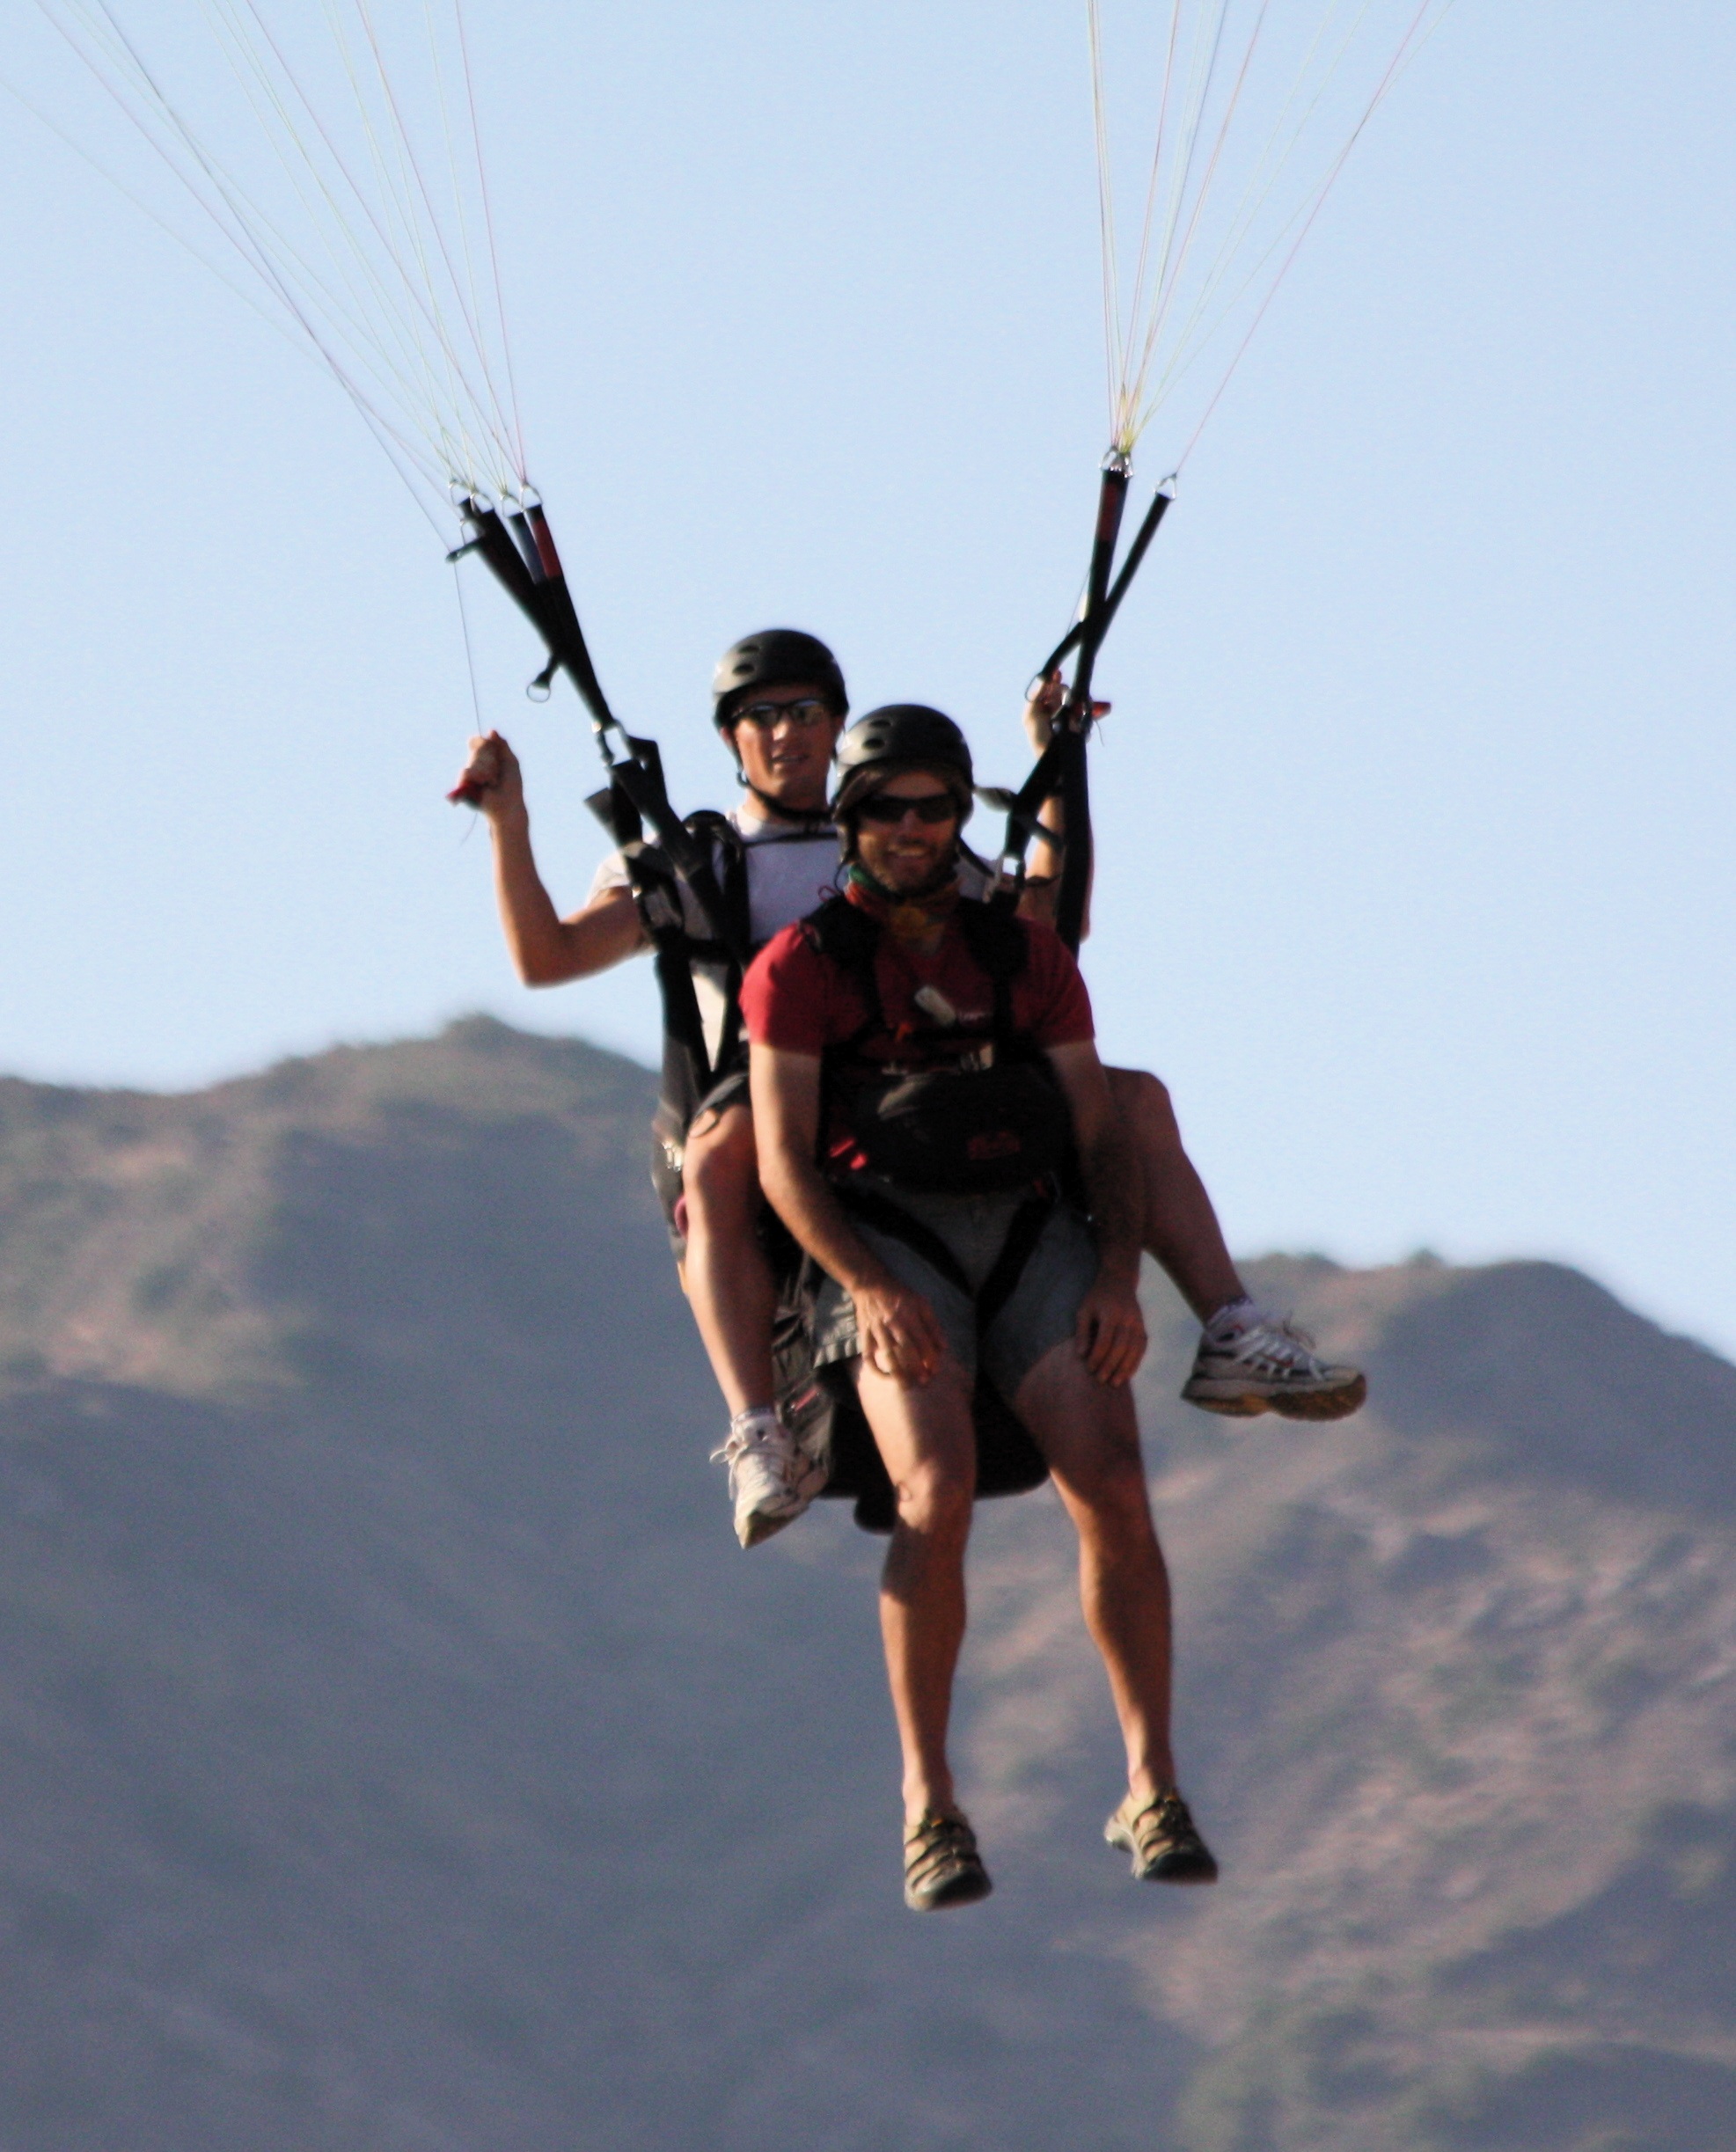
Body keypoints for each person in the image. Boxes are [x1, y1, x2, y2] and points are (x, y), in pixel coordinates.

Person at [454, 633, 1364, 1550]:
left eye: (805, 711)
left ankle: (1231, 1326)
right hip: (775, 1097)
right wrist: (507, 822)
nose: (785, 732)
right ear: (730, 736)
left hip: (923, 1089)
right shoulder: (703, 861)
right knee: (721, 1148)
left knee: (1133, 1099)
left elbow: (1048, 929)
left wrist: (1056, 762)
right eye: (761, 716)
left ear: (836, 726)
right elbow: (548, 956)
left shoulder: (906, 833)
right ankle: (758, 1431)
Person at [743, 705, 1218, 1907]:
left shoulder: (1021, 955)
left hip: (1025, 1229)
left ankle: (1150, 1784)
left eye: (934, 809)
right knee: (933, 1488)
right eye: (886, 810)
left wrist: (1114, 1277)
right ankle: (928, 1802)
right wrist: (865, 1286)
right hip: (885, 1240)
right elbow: (783, 1162)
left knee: (1113, 1479)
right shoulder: (799, 966)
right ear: (849, 819)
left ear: (960, 816)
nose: (911, 831)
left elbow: (1098, 1131)